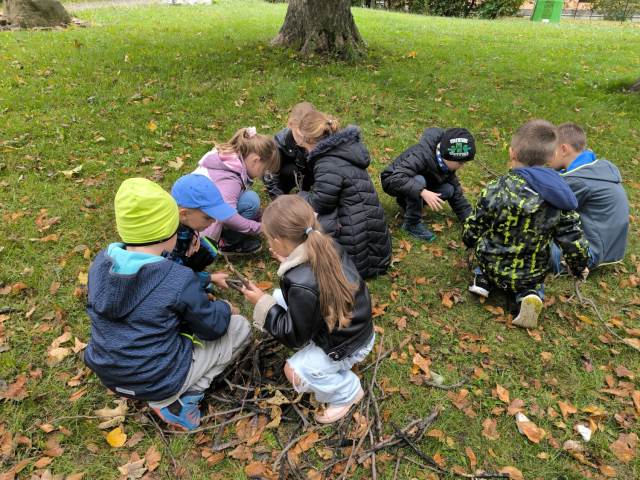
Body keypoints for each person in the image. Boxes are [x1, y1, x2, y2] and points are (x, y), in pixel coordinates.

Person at [84, 178, 251, 431]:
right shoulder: (177, 278)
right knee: (239, 327)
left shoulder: (100, 263)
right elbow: (213, 328)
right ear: (172, 229)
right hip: (157, 380)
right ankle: (178, 401)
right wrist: (226, 308)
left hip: (108, 372)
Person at [240, 195, 375, 424]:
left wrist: (262, 304)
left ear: (279, 241)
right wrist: (288, 260)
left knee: (294, 372)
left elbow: (294, 338)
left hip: (346, 345)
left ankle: (347, 392)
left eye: (269, 239)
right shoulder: (324, 243)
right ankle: (331, 365)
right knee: (278, 296)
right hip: (356, 329)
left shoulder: (302, 284)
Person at [463, 120, 590, 329]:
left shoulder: (496, 188)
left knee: (485, 253)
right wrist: (579, 265)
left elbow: (476, 223)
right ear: (551, 156)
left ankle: (482, 279)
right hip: (530, 272)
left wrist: (468, 239)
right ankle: (529, 295)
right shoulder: (558, 196)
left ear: (512, 153)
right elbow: (572, 237)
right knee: (532, 282)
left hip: (492, 262)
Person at [296, 110, 392, 278]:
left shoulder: (326, 162)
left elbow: (321, 203)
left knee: (312, 216)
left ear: (309, 140)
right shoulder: (342, 149)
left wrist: (301, 196)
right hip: (371, 236)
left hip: (359, 252)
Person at [548, 122, 629, 272]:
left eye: (550, 150)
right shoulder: (595, 171)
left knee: (522, 234)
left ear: (564, 149)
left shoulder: (578, 181)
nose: (547, 157)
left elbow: (545, 209)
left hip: (587, 256)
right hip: (606, 251)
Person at [194, 127, 280, 255]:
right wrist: (259, 228)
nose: (261, 174)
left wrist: (259, 217)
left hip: (199, 215)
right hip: (200, 230)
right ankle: (226, 242)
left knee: (249, 199)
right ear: (255, 160)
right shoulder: (230, 180)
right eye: (264, 169)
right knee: (250, 201)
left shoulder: (228, 161)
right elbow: (227, 216)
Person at [381, 127, 476, 242]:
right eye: (460, 162)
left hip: (414, 183)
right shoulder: (422, 155)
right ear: (447, 156)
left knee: (449, 189)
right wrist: (422, 191)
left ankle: (407, 203)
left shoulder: (446, 164)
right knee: (419, 181)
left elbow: (457, 194)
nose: (462, 166)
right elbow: (396, 178)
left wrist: (471, 220)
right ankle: (411, 224)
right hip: (392, 181)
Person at [170, 174, 236, 292]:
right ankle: (194, 285)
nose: (214, 221)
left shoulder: (185, 223)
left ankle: (196, 279)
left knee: (209, 250)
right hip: (168, 278)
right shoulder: (171, 242)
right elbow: (174, 276)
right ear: (184, 214)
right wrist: (209, 278)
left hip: (183, 256)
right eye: (208, 217)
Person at [264, 102, 316, 198]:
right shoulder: (279, 142)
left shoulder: (322, 137)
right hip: (291, 172)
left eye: (308, 132)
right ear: (290, 124)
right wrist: (280, 201)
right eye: (300, 133)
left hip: (311, 174)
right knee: (287, 170)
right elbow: (270, 175)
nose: (304, 138)